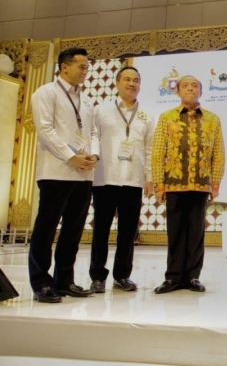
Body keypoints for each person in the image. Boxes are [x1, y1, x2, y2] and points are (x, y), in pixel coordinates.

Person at [29, 47, 98, 303]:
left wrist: (94, 155)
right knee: (46, 229)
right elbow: (45, 130)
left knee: (73, 230)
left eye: (87, 67)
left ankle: (65, 280)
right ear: (64, 67)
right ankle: (41, 283)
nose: (85, 71)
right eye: (81, 67)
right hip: (55, 172)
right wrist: (71, 156)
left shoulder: (86, 100)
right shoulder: (46, 93)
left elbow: (92, 132)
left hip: (83, 175)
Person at [152, 76, 225, 294]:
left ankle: (193, 276)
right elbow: (158, 152)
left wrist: (215, 183)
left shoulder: (212, 119)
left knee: (196, 233)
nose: (190, 89)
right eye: (185, 85)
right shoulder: (167, 117)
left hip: (201, 184)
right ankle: (173, 277)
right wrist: (159, 184)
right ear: (177, 92)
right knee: (175, 232)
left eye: (195, 86)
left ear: (201, 92)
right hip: (174, 184)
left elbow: (218, 153)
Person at [89, 66, 154, 294]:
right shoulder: (101, 110)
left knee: (128, 232)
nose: (132, 84)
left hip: (133, 180)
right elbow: (93, 138)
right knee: (101, 230)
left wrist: (150, 177)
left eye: (136, 80)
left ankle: (122, 275)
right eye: (127, 79)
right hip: (105, 177)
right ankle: (97, 276)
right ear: (117, 83)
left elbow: (149, 148)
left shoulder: (146, 115)